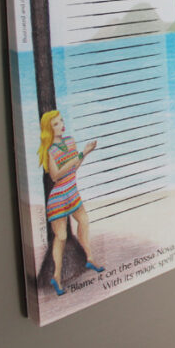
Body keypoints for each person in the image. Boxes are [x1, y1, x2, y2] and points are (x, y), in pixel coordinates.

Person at [37, 110, 104, 296]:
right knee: (61, 237)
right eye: (56, 123)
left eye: (61, 121)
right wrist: (79, 155)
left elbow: (75, 167)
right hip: (59, 198)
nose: (61, 125)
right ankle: (57, 277)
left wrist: (85, 153)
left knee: (84, 220)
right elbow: (55, 175)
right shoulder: (50, 151)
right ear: (49, 129)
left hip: (72, 192)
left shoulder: (70, 141)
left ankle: (89, 257)